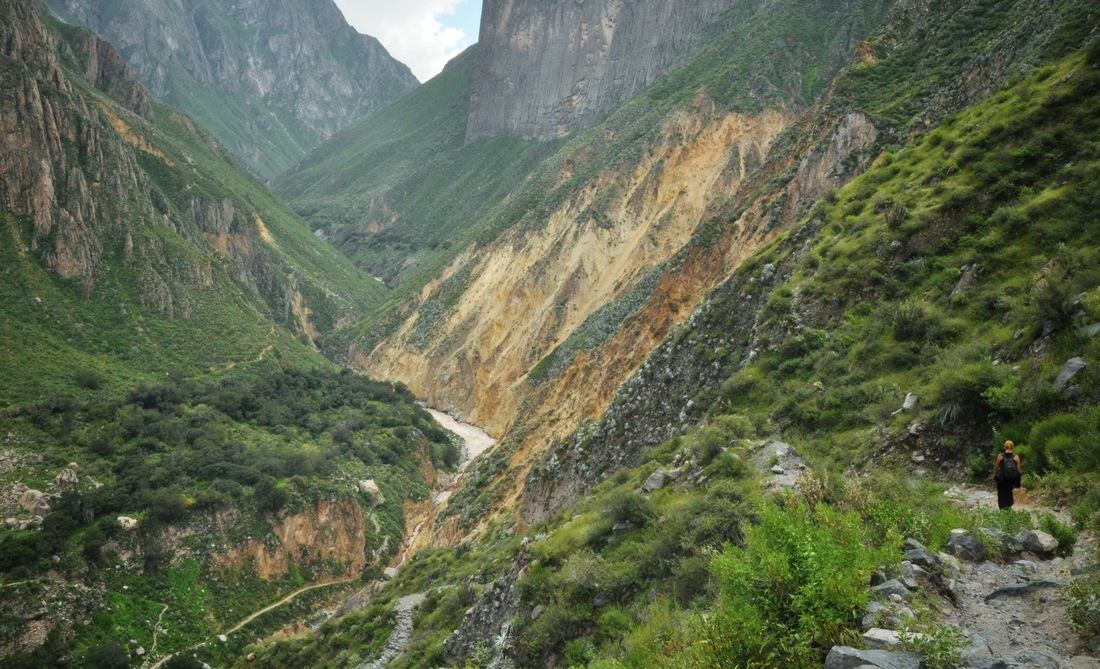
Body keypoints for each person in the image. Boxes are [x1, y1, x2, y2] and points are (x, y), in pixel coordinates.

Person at [994, 440, 1022, 509]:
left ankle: (1002, 509)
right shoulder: (1016, 457)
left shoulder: (1000, 456)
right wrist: (1020, 476)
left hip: (1002, 480)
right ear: (1012, 447)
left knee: (1001, 495)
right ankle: (1009, 508)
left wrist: (995, 475)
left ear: (1004, 447)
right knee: (1009, 493)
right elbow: (1018, 470)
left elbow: (996, 468)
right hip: (1010, 480)